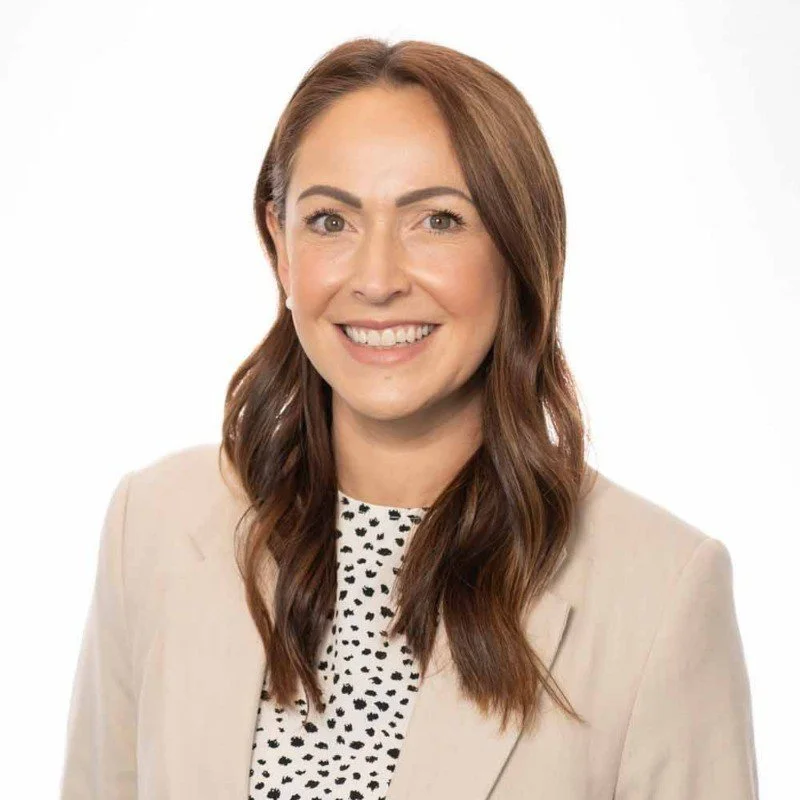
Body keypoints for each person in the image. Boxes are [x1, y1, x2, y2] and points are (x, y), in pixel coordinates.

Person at [59, 37, 759, 799]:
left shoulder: (662, 591)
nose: (378, 279)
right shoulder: (152, 526)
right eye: (331, 221)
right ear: (279, 246)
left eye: (439, 221)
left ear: (518, 248)